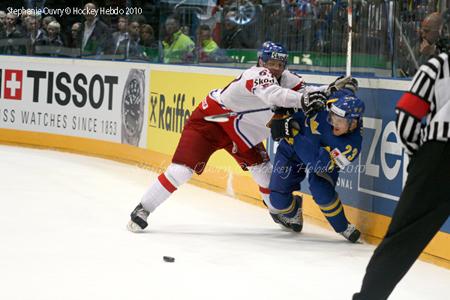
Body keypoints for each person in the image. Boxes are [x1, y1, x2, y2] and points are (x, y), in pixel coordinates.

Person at [127, 42, 354, 232]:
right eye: (270, 63)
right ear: (261, 62)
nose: (275, 68)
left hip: (240, 131)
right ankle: (143, 208)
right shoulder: (255, 75)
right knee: (181, 171)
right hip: (210, 122)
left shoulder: (286, 78)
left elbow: (304, 91)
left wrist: (329, 89)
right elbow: (274, 95)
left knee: (265, 177)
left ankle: (286, 209)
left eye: (279, 64)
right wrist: (304, 100)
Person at [353, 49, 450, 299]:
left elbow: (407, 113)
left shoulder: (440, 64)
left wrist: (421, 157)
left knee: (403, 237)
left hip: (440, 155)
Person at [267, 86, 363, 242]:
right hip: (291, 149)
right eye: (332, 118)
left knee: (322, 192)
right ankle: (294, 209)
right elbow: (337, 91)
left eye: (340, 121)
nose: (334, 124)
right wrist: (285, 108)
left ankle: (342, 226)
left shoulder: (350, 147)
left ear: (353, 123)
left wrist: (293, 132)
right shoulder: (338, 102)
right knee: (277, 200)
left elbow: (317, 164)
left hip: (319, 158)